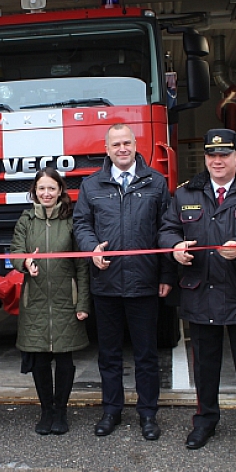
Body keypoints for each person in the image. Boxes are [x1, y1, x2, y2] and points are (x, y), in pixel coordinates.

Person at [158, 128, 236, 456]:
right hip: (201, 291)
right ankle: (205, 421)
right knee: (206, 365)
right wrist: (175, 247)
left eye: (224, 155)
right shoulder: (186, 194)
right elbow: (167, 229)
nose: (217, 161)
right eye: (212, 155)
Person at [73, 123, 174, 440]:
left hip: (145, 282)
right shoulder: (92, 186)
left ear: (135, 144)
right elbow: (81, 225)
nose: (121, 149)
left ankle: (148, 415)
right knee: (110, 355)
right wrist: (91, 250)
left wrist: (167, 274)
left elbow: (167, 231)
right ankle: (111, 411)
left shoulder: (156, 184)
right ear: (107, 149)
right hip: (106, 284)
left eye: (126, 143)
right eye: (115, 144)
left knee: (146, 355)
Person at [10, 167, 90, 435]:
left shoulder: (71, 220)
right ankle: (46, 411)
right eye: (41, 188)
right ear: (35, 191)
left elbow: (81, 265)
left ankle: (61, 412)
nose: (46, 193)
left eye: (51, 188)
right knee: (40, 360)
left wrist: (83, 304)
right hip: (36, 299)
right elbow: (15, 252)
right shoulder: (26, 219)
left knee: (65, 360)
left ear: (60, 191)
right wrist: (25, 262)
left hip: (66, 298)